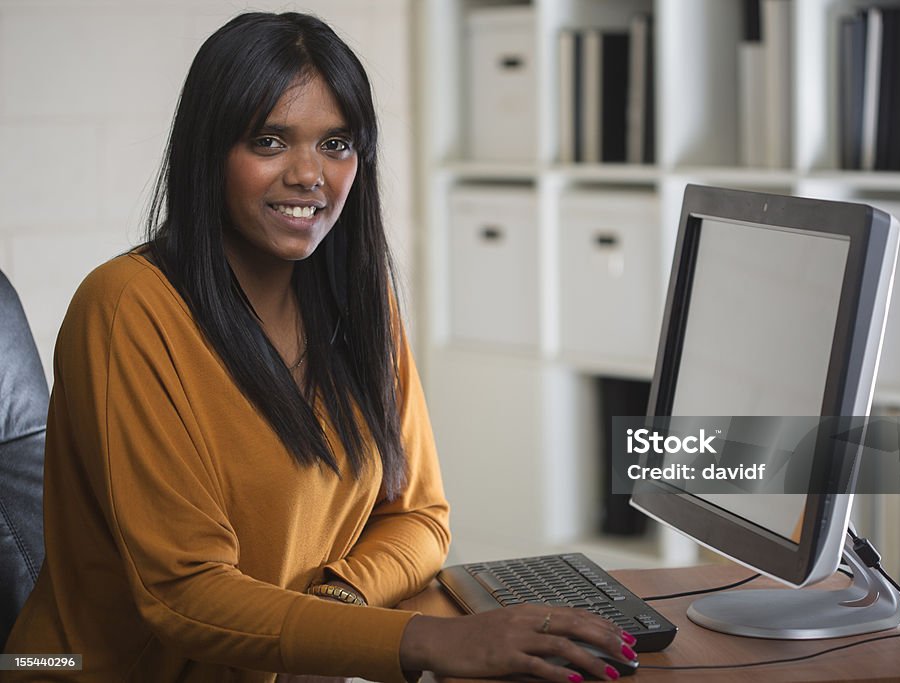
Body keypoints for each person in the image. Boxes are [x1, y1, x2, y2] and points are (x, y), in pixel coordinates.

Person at [2, 12, 637, 682]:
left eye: (337, 144)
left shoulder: (361, 303)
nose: (310, 175)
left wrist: (339, 603)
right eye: (270, 141)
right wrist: (422, 639)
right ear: (209, 152)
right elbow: (182, 591)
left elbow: (419, 516)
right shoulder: (128, 307)